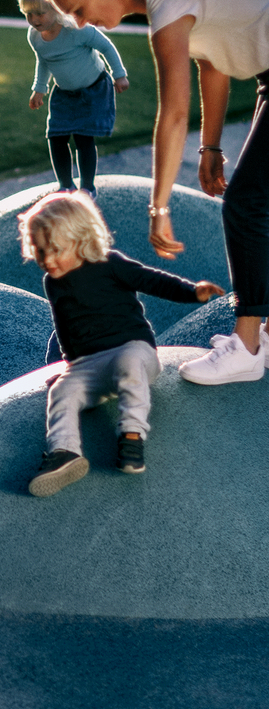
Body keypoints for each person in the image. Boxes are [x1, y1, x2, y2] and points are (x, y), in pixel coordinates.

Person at [39, 0, 269, 386]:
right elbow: (213, 63)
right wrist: (212, 146)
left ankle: (247, 348)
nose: (83, 25)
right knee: (259, 203)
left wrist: (159, 207)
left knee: (247, 206)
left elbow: (175, 111)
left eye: (79, 11)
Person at [19, 191, 224, 497]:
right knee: (63, 391)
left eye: (55, 250)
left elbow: (152, 280)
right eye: (39, 251)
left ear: (81, 239)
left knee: (128, 365)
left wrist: (192, 291)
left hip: (133, 349)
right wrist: (67, 367)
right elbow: (65, 326)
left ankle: (131, 436)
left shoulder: (109, 263)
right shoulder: (53, 282)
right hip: (88, 363)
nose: (47, 260)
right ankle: (65, 452)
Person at [18, 0, 130, 199]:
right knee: (56, 136)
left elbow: (106, 46)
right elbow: (44, 60)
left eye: (40, 13)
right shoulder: (35, 36)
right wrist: (39, 88)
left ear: (58, 8)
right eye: (29, 14)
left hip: (93, 89)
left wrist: (119, 74)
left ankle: (87, 187)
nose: (34, 19)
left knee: (83, 137)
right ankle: (65, 185)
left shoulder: (77, 30)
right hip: (64, 93)